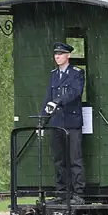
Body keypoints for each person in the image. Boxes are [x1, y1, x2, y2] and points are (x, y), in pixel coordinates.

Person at [41, 41, 86, 204]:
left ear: (68, 55)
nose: (57, 57)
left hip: (72, 122)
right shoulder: (54, 74)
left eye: (60, 54)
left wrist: (58, 101)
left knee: (75, 159)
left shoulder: (77, 73)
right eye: (55, 54)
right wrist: (43, 121)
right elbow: (48, 98)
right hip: (56, 122)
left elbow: (75, 92)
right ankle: (62, 194)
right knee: (59, 160)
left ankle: (78, 194)